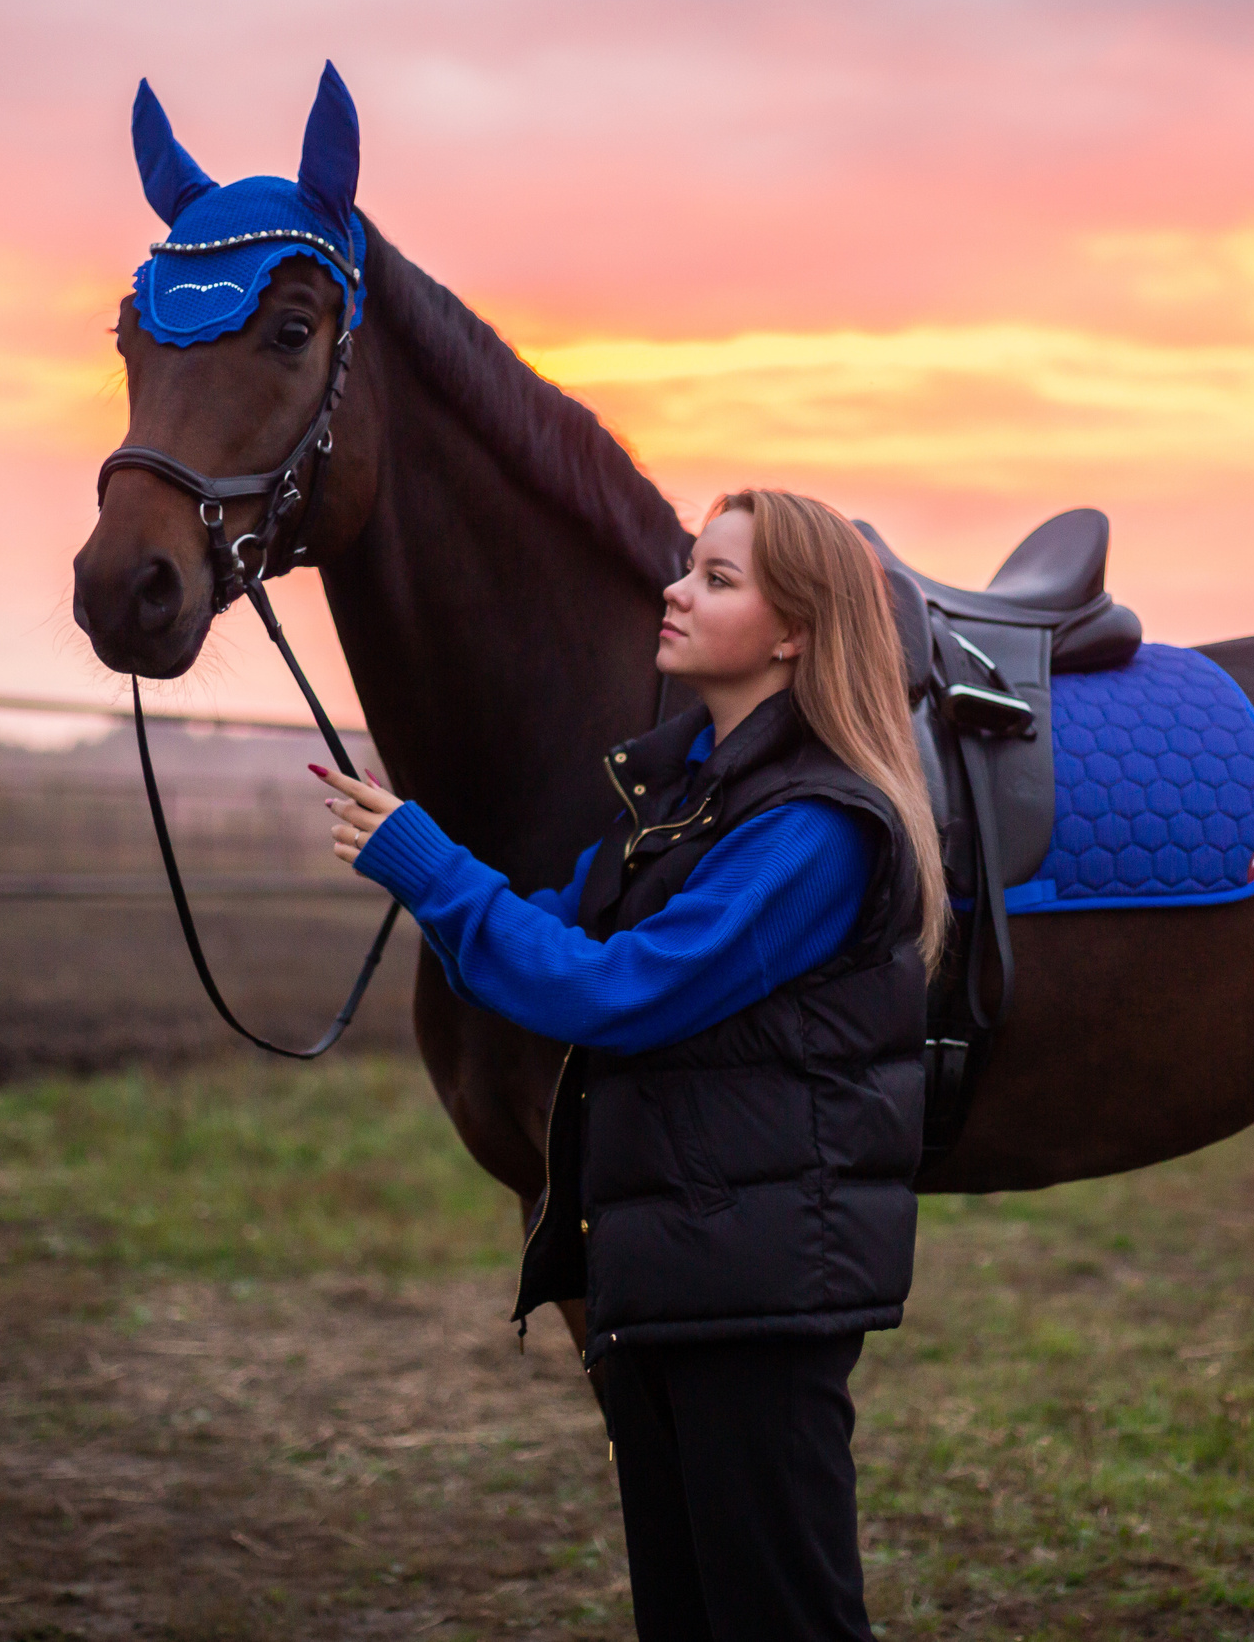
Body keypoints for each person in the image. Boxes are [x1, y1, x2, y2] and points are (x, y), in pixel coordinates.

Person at [316, 488, 945, 1642]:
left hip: (757, 1304)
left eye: (716, 577)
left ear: (794, 629)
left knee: (782, 1621)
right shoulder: (682, 803)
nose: (674, 589)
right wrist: (433, 875)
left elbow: (612, 994)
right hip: (668, 1281)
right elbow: (542, 946)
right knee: (686, 1616)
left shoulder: (814, 829)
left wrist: (429, 868)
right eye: (687, 567)